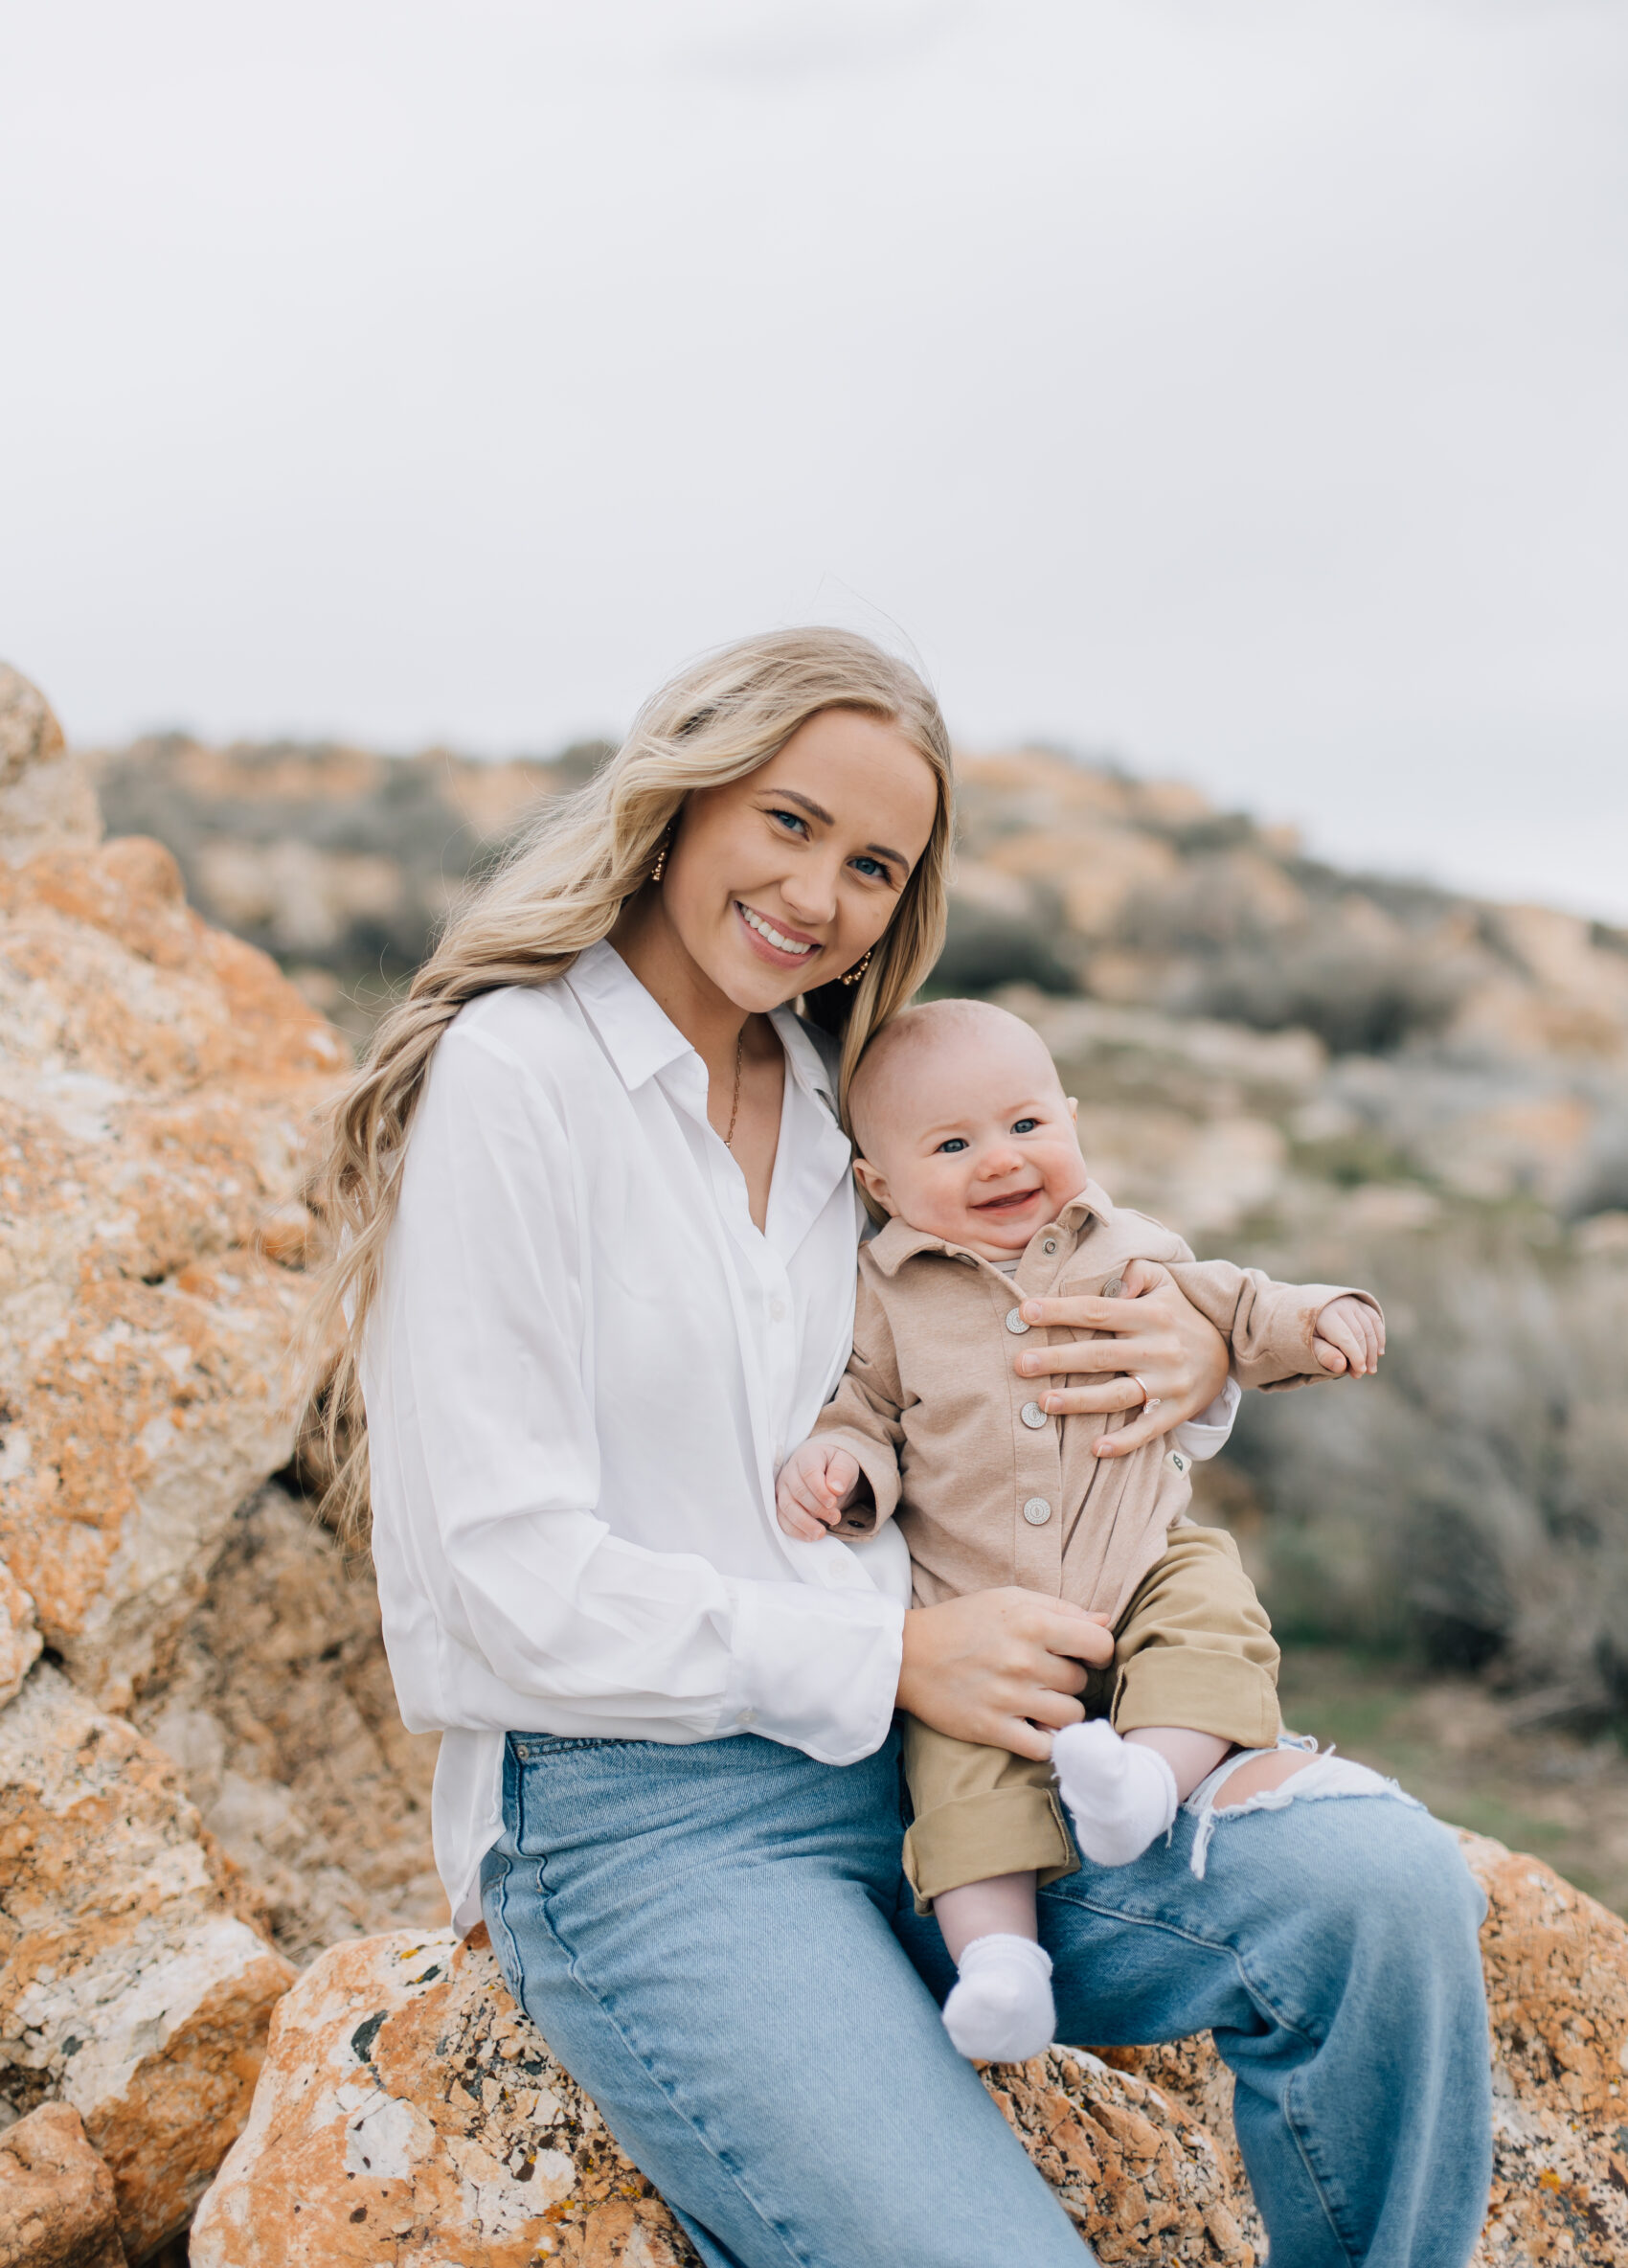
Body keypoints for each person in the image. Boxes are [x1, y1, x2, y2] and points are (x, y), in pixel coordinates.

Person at [310, 627, 1492, 2268]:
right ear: (682, 795)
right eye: (790, 821)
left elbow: (1023, 1298)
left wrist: (1203, 1343)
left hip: (949, 1775)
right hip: (648, 1816)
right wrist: (895, 1652)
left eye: (876, 861)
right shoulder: (515, 1079)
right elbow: (495, 1583)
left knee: (1385, 1890)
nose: (823, 892)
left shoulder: (841, 1098)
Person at [775, 996, 1388, 2065]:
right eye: (952, 1144)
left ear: (1070, 1118)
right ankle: (1001, 1964)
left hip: (1140, 1553)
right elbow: (860, 1412)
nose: (1000, 1160)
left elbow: (1238, 1308)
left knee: (1210, 1615)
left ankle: (1146, 1780)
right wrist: (843, 1472)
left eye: (1024, 1126)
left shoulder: (1131, 1246)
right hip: (977, 1610)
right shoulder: (884, 1298)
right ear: (877, 1184)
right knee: (961, 1768)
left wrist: (1321, 1314)